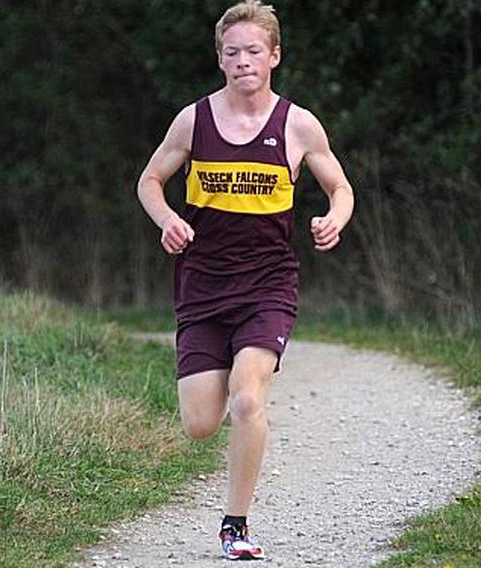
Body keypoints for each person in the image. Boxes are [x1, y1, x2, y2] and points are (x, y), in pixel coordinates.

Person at [136, 1, 354, 560]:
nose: (242, 62)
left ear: (274, 56)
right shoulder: (194, 120)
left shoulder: (298, 125)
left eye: (253, 51)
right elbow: (150, 180)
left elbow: (341, 186)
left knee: (248, 399)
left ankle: (236, 525)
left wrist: (334, 218)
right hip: (202, 289)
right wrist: (168, 219)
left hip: (267, 286)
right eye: (231, 53)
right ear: (220, 59)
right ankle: (218, 396)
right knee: (201, 424)